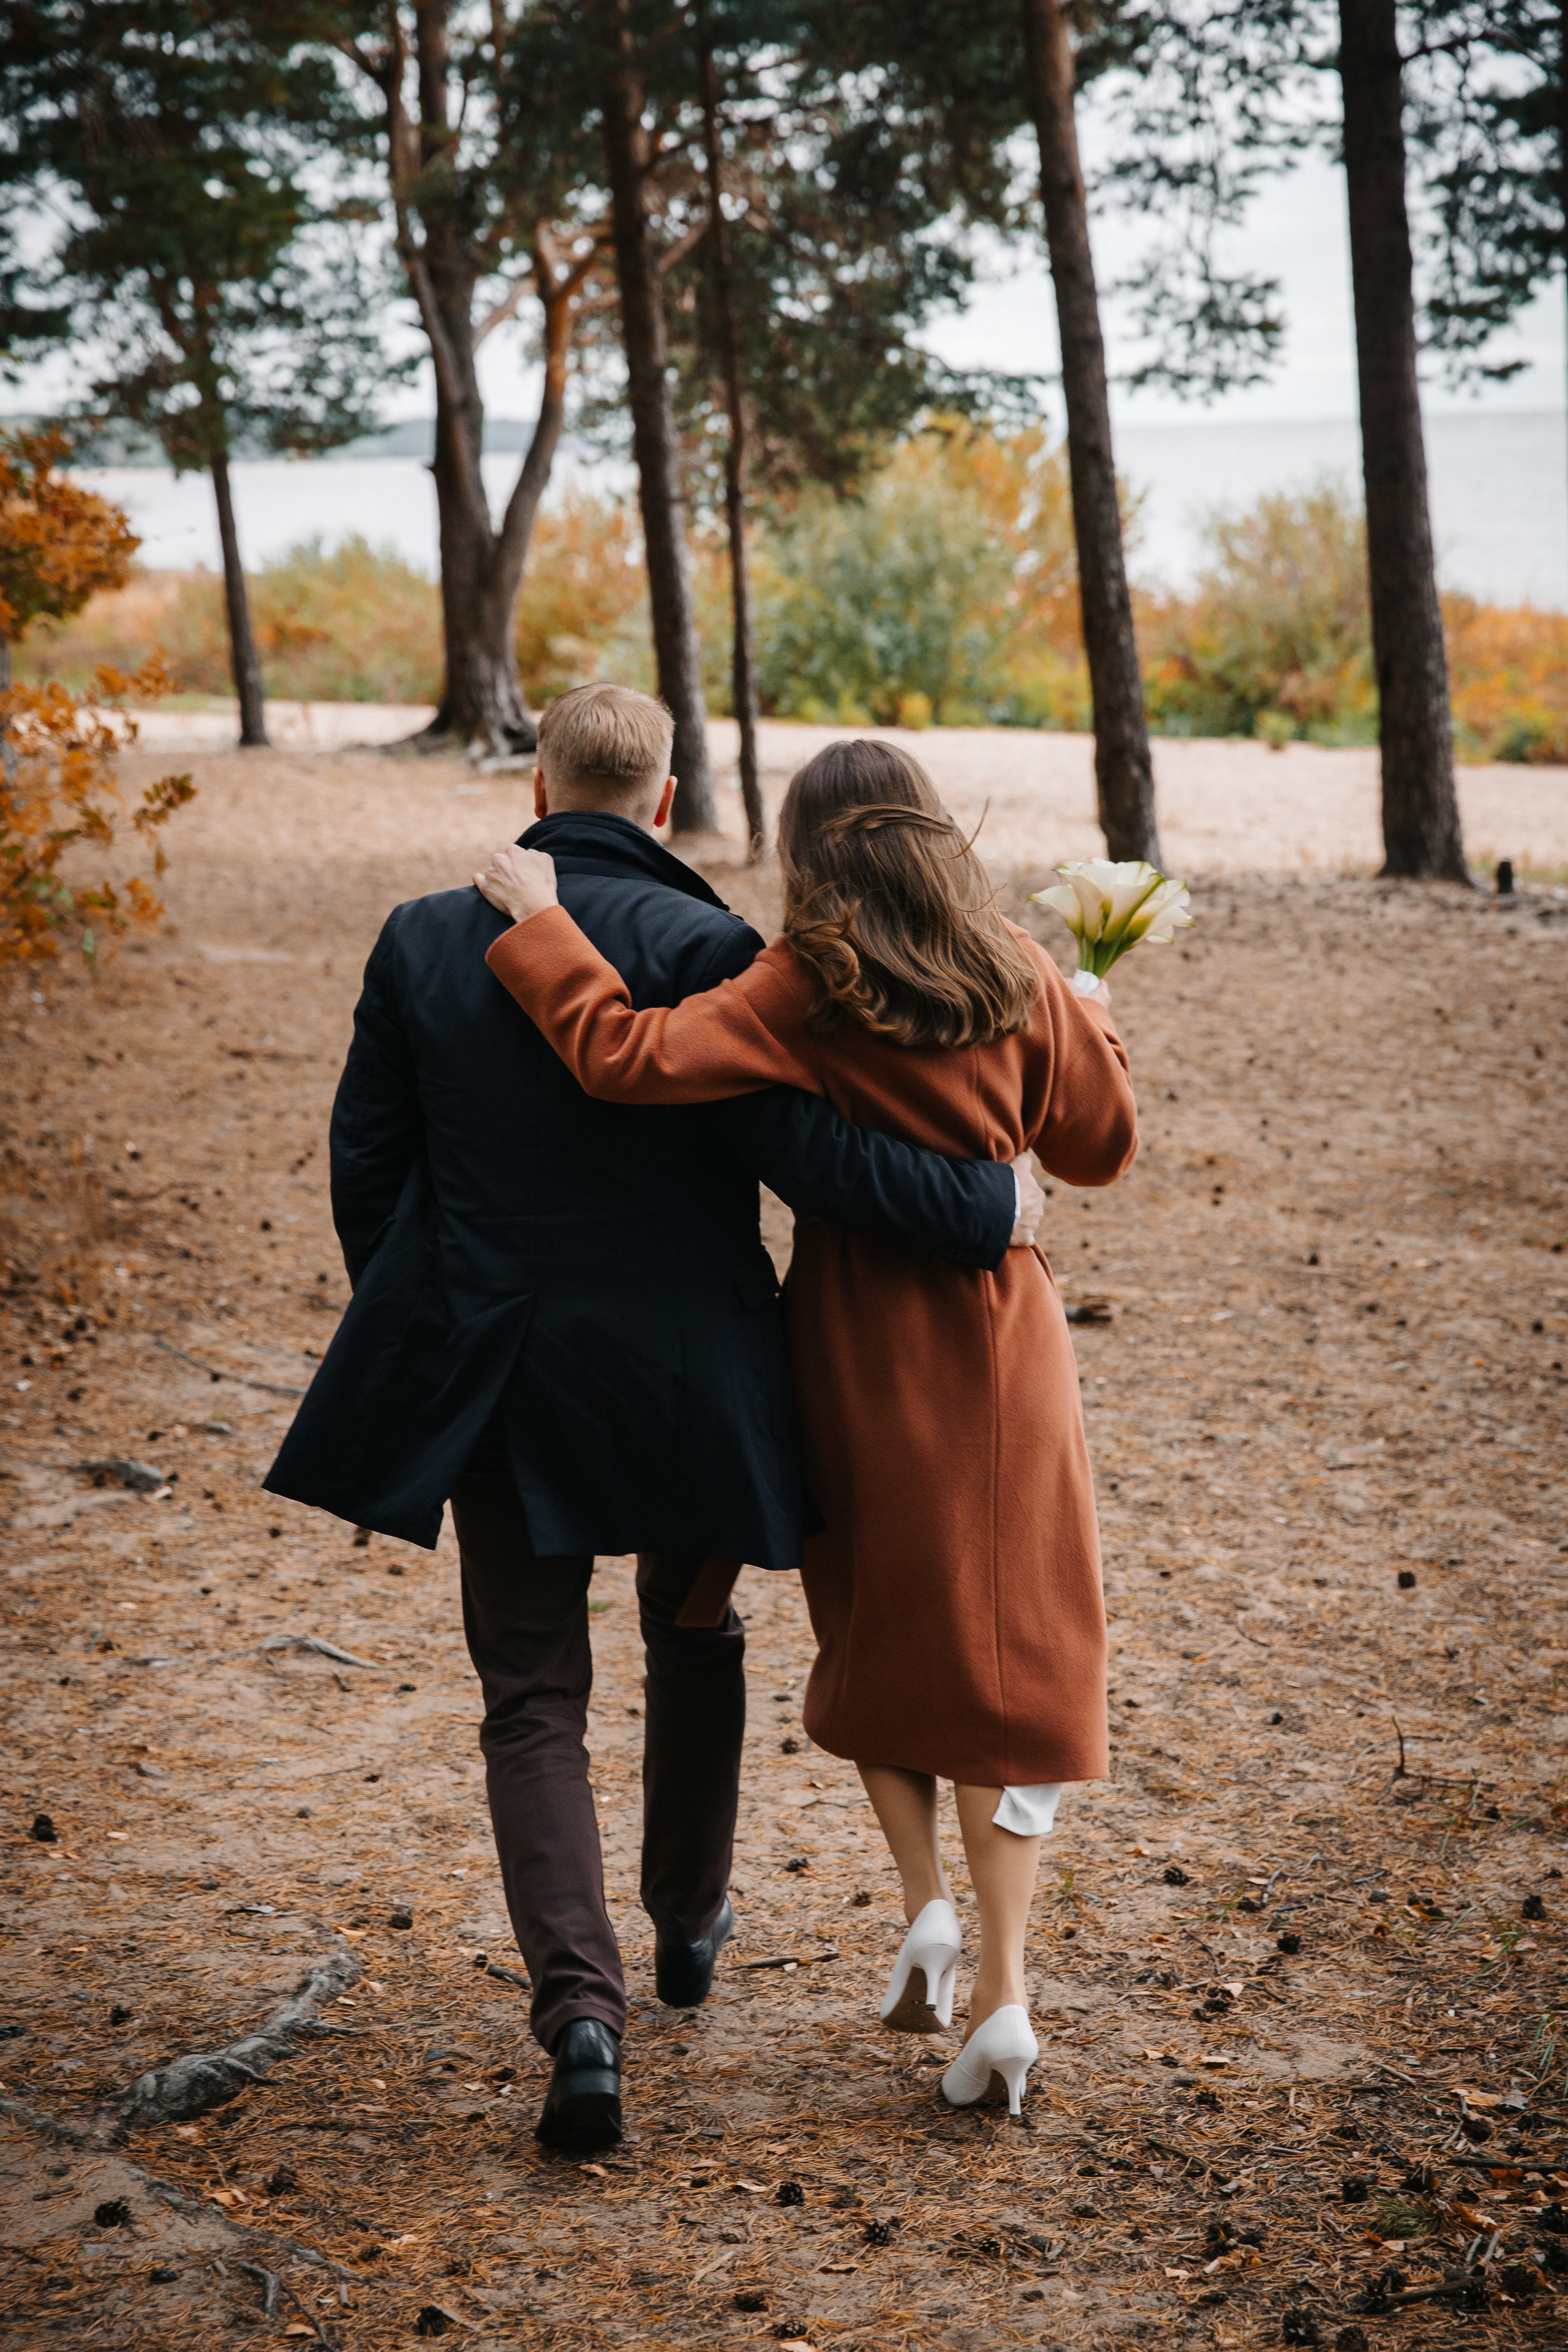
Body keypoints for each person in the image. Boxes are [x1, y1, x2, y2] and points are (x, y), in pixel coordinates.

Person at [266, 687, 1046, 2152]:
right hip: (694, 1381)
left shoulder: (429, 936)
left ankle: (580, 2015)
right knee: (693, 1631)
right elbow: (813, 1160)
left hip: (499, 1374)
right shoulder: (718, 952)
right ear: (668, 801)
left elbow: (367, 1174)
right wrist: (985, 1205)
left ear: (540, 782)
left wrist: (437, 1319)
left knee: (531, 1699)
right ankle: (688, 1923)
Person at [473, 735, 1139, 2117]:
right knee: (1020, 1645)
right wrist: (1087, 1011)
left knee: (885, 1624)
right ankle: (1004, 1993)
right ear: (934, 831)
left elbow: (623, 1056)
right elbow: (1095, 1147)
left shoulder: (802, 981)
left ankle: (921, 1910)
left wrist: (543, 935)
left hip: (846, 1345)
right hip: (1003, 1341)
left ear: (806, 850)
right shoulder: (1013, 965)